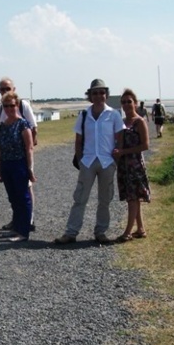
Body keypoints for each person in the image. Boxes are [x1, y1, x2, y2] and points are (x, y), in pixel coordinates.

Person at [55, 78, 125, 245]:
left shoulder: (113, 114)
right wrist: (80, 160)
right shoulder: (84, 114)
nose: (99, 95)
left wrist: (115, 159)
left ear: (106, 95)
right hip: (88, 161)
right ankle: (71, 233)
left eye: (102, 92)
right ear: (90, 95)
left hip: (107, 162)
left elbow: (120, 138)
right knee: (80, 198)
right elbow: (78, 140)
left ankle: (101, 232)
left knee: (104, 200)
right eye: (95, 93)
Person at [0, 76, 38, 231]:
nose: (5, 91)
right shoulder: (1, 107)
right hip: (8, 158)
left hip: (21, 157)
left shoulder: (23, 105)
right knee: (14, 194)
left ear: (14, 89)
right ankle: (17, 220)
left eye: (8, 88)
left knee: (26, 190)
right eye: (2, 89)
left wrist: (30, 163)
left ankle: (29, 220)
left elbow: (33, 127)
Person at [114, 88, 151, 241]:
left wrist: (125, 151)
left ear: (135, 104)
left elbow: (145, 145)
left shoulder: (139, 122)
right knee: (132, 198)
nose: (126, 105)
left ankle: (127, 232)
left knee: (133, 198)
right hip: (124, 165)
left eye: (129, 102)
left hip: (135, 164)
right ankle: (140, 229)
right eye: (123, 102)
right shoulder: (122, 123)